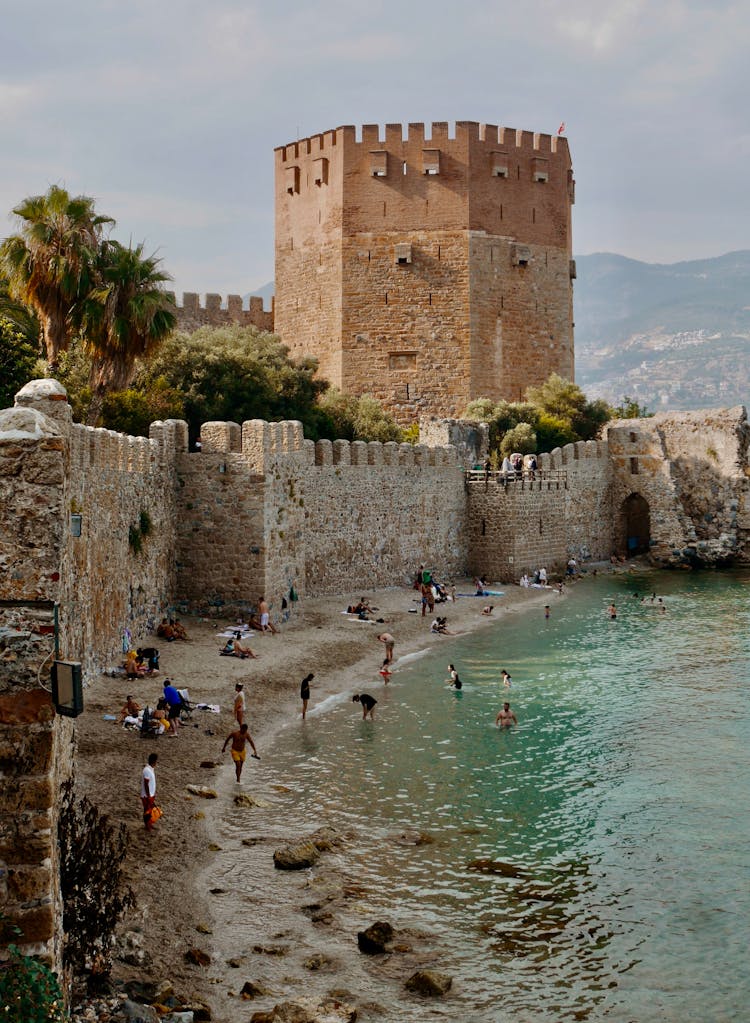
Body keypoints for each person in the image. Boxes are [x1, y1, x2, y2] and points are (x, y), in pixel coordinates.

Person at [141, 752, 158, 831]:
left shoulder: (151, 769)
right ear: (153, 761)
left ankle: (149, 824)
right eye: (156, 761)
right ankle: (146, 826)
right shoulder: (147, 770)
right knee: (146, 810)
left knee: (150, 809)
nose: (156, 763)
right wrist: (148, 796)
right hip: (146, 795)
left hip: (151, 794)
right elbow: (146, 784)